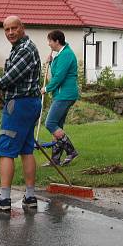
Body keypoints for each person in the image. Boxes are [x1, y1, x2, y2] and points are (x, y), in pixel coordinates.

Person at [0, 15, 42, 211]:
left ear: (22, 28)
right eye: (7, 29)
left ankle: (4, 199)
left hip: (20, 104)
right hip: (29, 103)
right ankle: (30, 196)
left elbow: (13, 75)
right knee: (26, 150)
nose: (10, 33)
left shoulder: (26, 49)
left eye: (14, 28)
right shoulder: (20, 48)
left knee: (6, 150)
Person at [41, 30, 79, 166]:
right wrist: (50, 63)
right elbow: (57, 72)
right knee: (57, 126)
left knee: (50, 123)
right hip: (61, 94)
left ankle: (71, 151)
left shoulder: (66, 55)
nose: (49, 44)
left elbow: (59, 77)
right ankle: (55, 160)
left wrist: (46, 89)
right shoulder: (61, 54)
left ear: (57, 41)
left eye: (50, 41)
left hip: (65, 95)